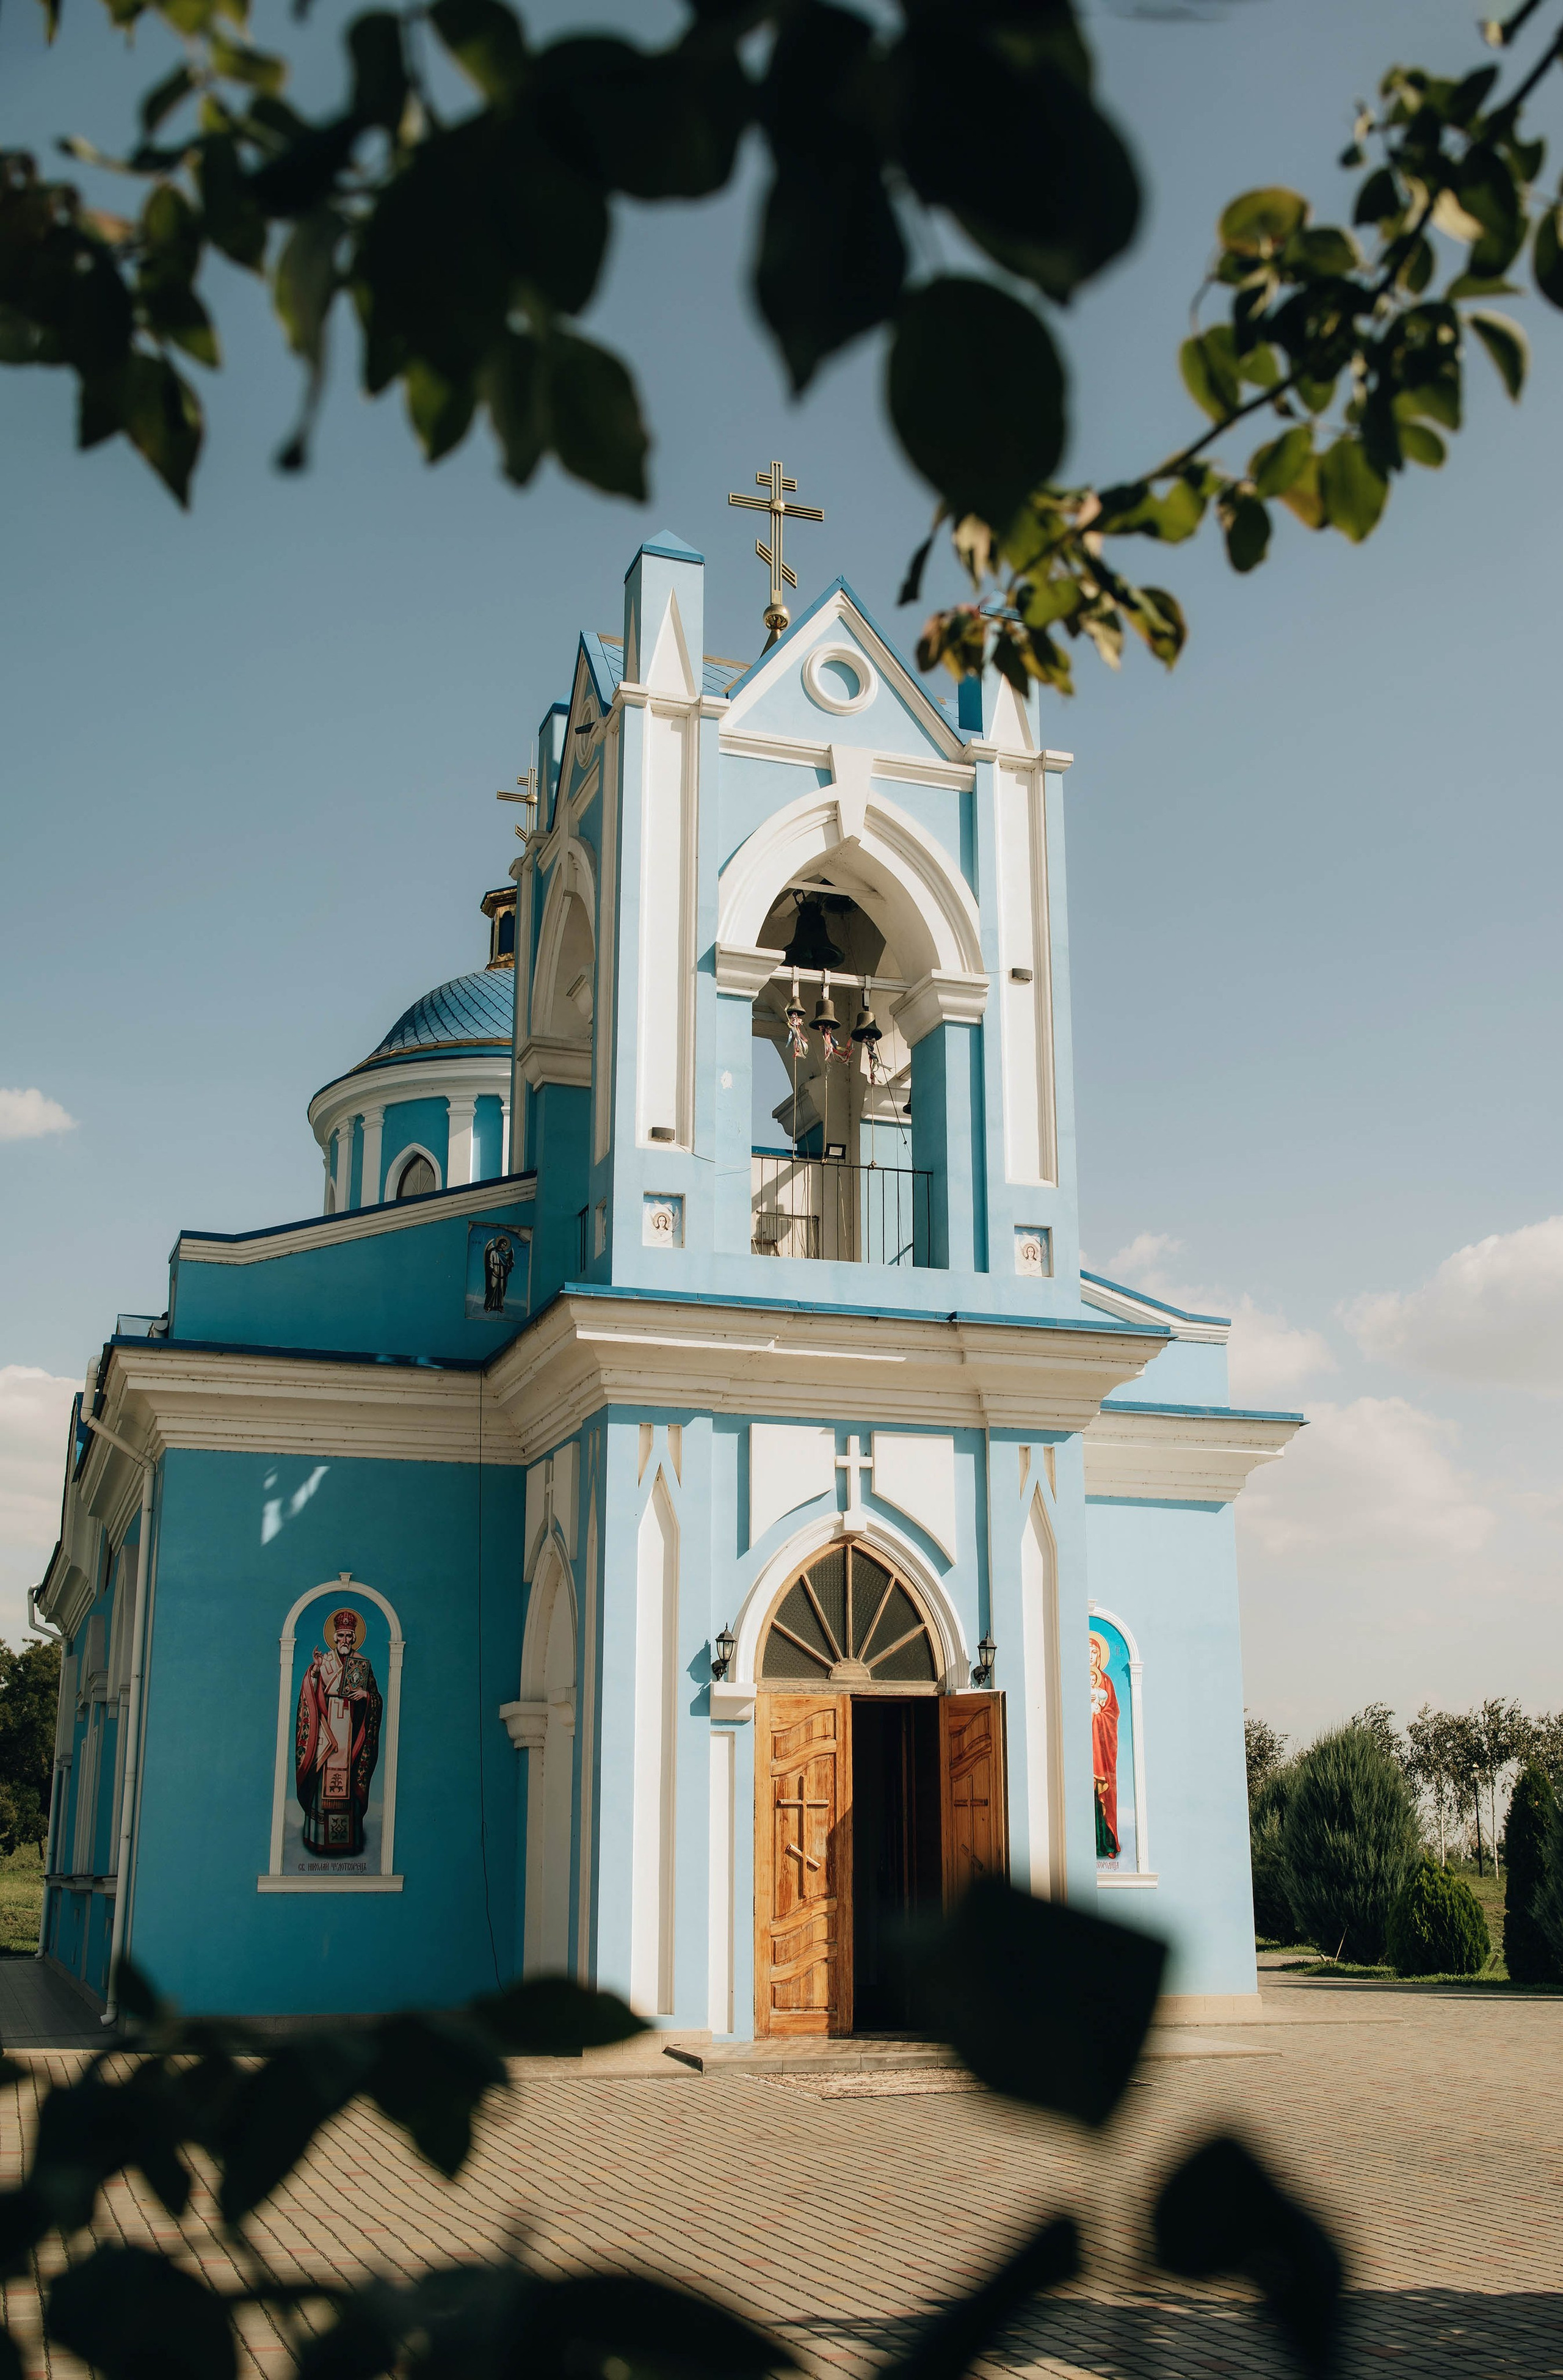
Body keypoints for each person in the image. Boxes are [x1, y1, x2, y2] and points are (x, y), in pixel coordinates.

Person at [295, 1607, 382, 1858]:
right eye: (341, 1636)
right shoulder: (325, 1662)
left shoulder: (362, 1664)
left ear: (354, 1638)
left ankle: (347, 1839)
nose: (345, 1640)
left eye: (349, 1636)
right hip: (327, 1738)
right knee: (323, 1784)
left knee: (350, 1782)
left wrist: (367, 1696)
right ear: (334, 1637)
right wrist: (314, 1672)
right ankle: (319, 1836)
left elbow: (376, 1698)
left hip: (352, 1736)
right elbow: (310, 1694)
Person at [1089, 1629, 1120, 1860]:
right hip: (1084, 1751)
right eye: (1087, 1652)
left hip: (1101, 1751)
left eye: (1094, 1652)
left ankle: (1107, 1844)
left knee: (1104, 1797)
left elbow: (1113, 1713)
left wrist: (1099, 1715)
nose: (1091, 1656)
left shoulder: (1106, 1682)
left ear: (1100, 1656)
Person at [482, 1232, 515, 1312]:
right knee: (493, 1287)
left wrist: (511, 1264)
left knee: (501, 1288)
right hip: (495, 1270)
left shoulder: (504, 1254)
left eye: (505, 1244)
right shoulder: (493, 1252)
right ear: (499, 1243)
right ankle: (488, 1306)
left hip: (503, 1271)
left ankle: (500, 1306)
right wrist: (493, 1269)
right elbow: (490, 1262)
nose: (503, 1246)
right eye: (502, 1244)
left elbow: (508, 1262)